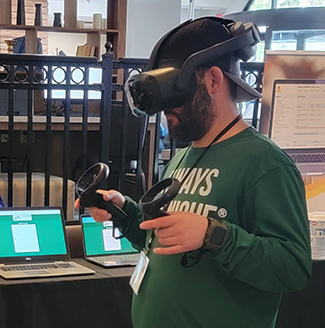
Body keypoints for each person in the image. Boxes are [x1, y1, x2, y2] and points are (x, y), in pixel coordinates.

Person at [77, 17, 312, 328]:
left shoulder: (265, 164)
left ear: (214, 80)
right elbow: (160, 241)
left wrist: (213, 233)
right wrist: (124, 212)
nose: (166, 109)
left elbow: (292, 267)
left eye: (177, 93)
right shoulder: (184, 158)